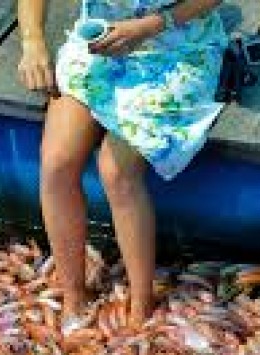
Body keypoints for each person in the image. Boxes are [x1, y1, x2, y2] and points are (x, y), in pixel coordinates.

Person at [17, 0, 228, 327]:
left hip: (176, 49)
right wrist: (32, 42)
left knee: (116, 171)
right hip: (98, 46)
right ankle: (74, 297)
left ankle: (141, 306)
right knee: (56, 163)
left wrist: (148, 26)